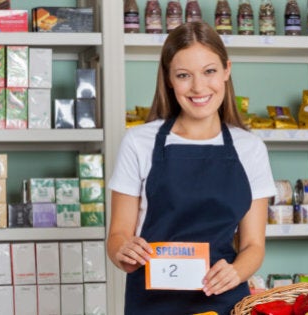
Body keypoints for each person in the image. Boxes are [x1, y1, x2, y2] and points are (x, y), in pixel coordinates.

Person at [107, 21, 276, 314]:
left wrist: (236, 272)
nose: (198, 87)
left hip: (223, 300)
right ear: (169, 80)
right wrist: (124, 251)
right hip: (151, 302)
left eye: (209, 71)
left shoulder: (251, 149)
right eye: (184, 75)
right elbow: (118, 235)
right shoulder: (139, 142)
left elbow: (253, 245)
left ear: (226, 70)